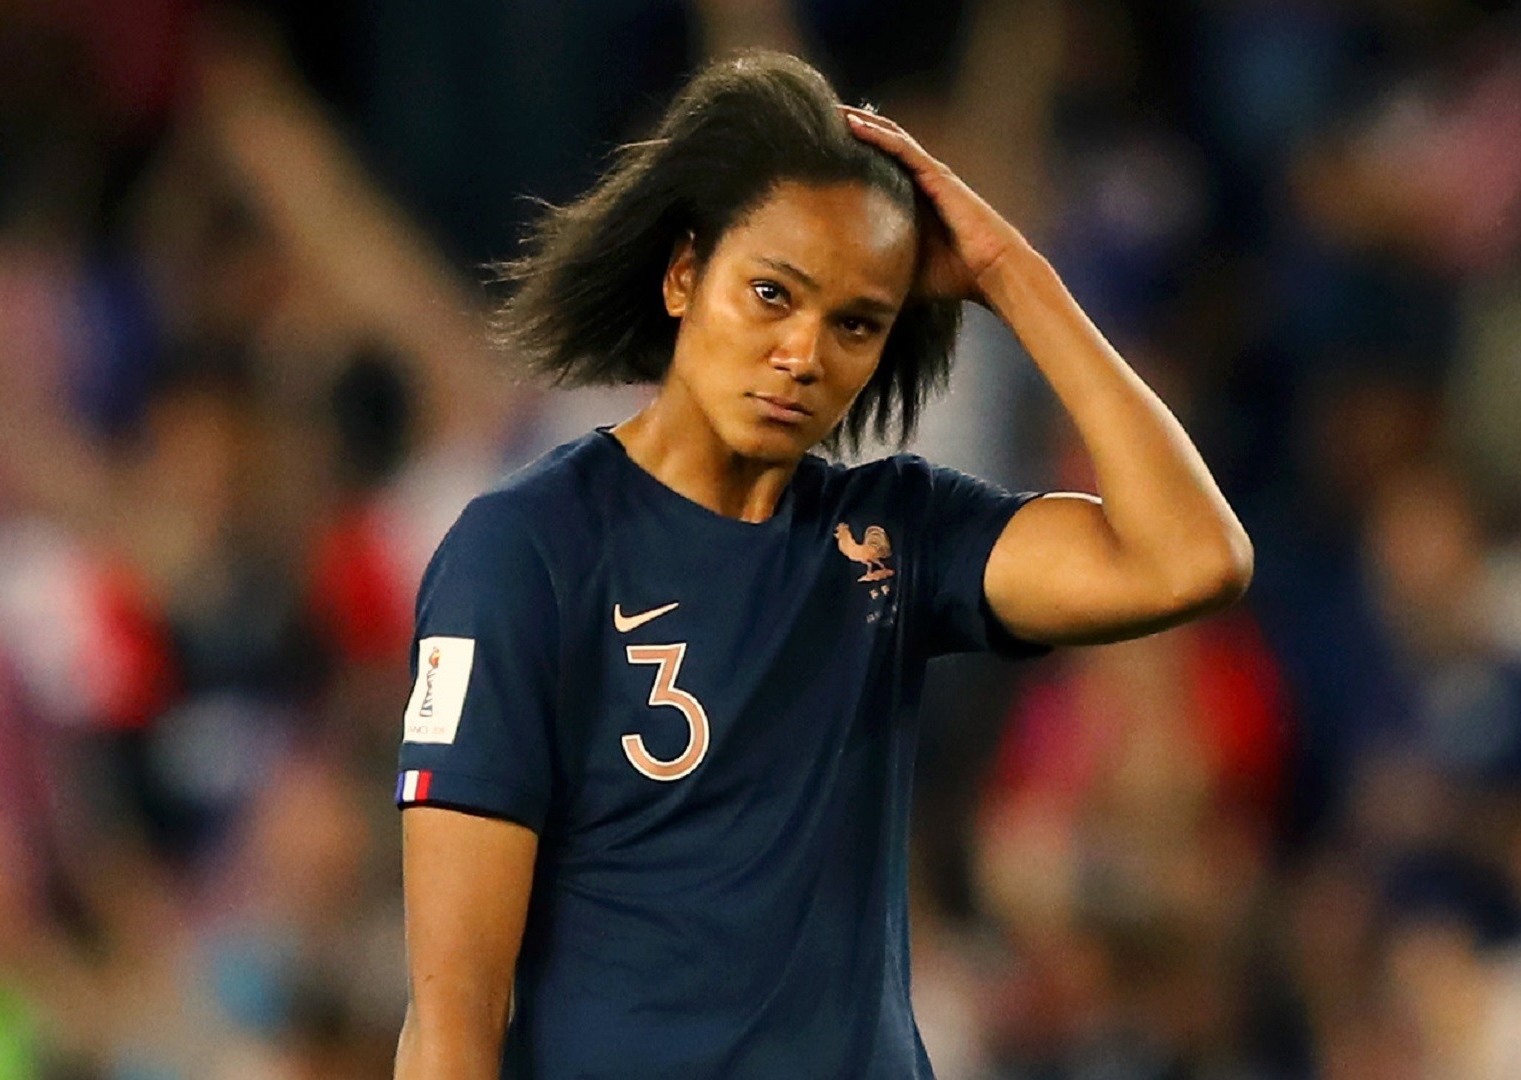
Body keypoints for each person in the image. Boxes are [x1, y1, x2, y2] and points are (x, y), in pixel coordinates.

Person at [392, 51, 1251, 1080]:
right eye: (770, 294)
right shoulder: (527, 553)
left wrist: (1010, 273)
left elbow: (1193, 559)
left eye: (856, 323)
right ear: (681, 275)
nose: (804, 352)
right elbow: (453, 1016)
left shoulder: (896, 534)